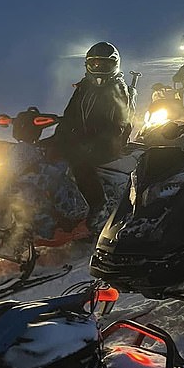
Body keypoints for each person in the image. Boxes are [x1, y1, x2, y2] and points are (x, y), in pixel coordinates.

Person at [52, 41, 136, 232]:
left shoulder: (117, 88)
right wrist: (60, 136)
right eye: (94, 64)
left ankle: (100, 207)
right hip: (84, 139)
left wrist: (92, 142)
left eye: (104, 64)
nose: (98, 68)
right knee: (47, 154)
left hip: (109, 142)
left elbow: (118, 123)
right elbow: (70, 115)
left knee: (80, 163)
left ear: (114, 65)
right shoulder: (83, 87)